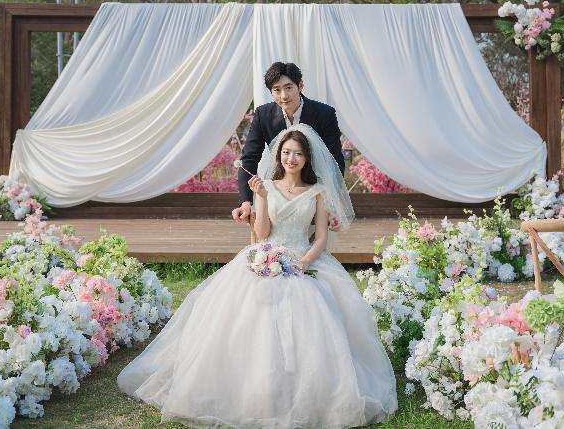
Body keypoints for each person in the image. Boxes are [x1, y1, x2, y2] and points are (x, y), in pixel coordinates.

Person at [118, 124, 397, 428]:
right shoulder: (266, 186)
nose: (291, 158)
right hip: (265, 255)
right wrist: (260, 198)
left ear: (306, 158)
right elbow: (262, 233)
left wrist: (304, 263)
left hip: (303, 259)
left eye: (297, 153)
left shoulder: (317, 192)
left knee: (315, 317)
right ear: (279, 155)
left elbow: (320, 238)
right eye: (286, 152)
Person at [232, 62, 345, 233]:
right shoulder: (263, 115)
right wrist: (246, 202)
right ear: (271, 92)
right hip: (277, 191)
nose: (284, 96)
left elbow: (335, 161)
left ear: (300, 85)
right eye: (276, 90)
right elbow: (249, 158)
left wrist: (330, 204)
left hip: (314, 192)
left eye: (288, 87)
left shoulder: (325, 114)